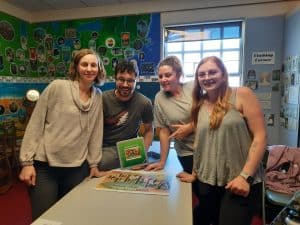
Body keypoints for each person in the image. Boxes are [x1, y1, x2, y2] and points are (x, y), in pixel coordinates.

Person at [177, 56, 267, 225]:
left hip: (238, 181)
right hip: (208, 181)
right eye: (201, 74)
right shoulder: (199, 104)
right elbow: (200, 144)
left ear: (223, 74)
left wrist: (244, 177)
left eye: (212, 72)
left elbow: (260, 137)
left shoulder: (242, 94)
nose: (207, 77)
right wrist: (195, 173)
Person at [19, 48, 106, 220]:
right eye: (84, 64)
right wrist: (26, 162)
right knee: (44, 218)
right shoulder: (57, 87)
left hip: (77, 168)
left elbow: (96, 132)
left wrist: (94, 163)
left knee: (70, 216)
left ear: (99, 69)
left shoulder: (97, 96)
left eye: (93, 65)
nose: (89, 69)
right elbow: (36, 124)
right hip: (45, 166)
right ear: (76, 67)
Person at [98, 59, 154, 171]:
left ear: (136, 80)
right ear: (115, 79)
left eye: (130, 81)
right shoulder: (102, 98)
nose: (125, 85)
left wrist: (143, 153)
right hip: (105, 147)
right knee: (100, 163)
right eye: (121, 80)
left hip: (129, 146)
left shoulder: (144, 102)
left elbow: (149, 130)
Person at [145, 56, 195, 173]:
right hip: (186, 153)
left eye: (168, 75)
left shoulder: (193, 87)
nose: (163, 79)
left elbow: (210, 114)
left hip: (208, 148)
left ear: (178, 74)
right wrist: (162, 162)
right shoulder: (159, 98)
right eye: (160, 76)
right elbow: (164, 131)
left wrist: (191, 127)